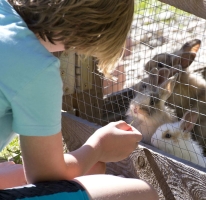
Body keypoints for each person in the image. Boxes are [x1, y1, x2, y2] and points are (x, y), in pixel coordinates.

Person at [0, 0, 159, 199]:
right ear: (88, 30)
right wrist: (97, 148)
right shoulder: (35, 66)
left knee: (88, 171)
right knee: (141, 193)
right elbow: (45, 176)